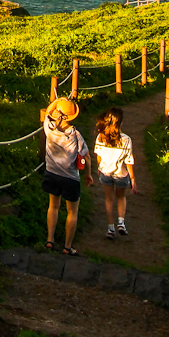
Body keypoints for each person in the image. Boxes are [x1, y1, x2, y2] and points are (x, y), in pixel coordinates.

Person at [40, 96, 88, 254]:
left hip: (52, 172)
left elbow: (48, 112)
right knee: (72, 212)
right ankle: (67, 246)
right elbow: (86, 157)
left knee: (53, 206)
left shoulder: (49, 128)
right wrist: (88, 174)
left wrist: (56, 101)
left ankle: (49, 239)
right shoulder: (76, 135)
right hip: (70, 177)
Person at [93, 109, 135, 238]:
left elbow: (98, 156)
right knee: (121, 197)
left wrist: (99, 167)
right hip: (120, 173)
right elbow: (129, 160)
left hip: (105, 172)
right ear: (120, 122)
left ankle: (110, 228)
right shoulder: (126, 139)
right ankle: (121, 222)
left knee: (108, 199)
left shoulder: (101, 137)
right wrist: (132, 178)